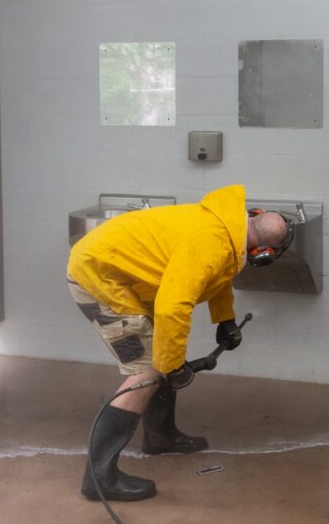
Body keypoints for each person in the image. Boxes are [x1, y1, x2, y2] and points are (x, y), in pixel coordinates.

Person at [66, 185, 294, 502]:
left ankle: (160, 437)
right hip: (100, 278)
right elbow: (173, 306)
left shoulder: (226, 227)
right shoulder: (211, 245)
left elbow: (219, 274)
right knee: (146, 372)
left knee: (164, 351)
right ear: (263, 253)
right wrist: (173, 368)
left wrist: (224, 319)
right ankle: (98, 477)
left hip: (123, 274)